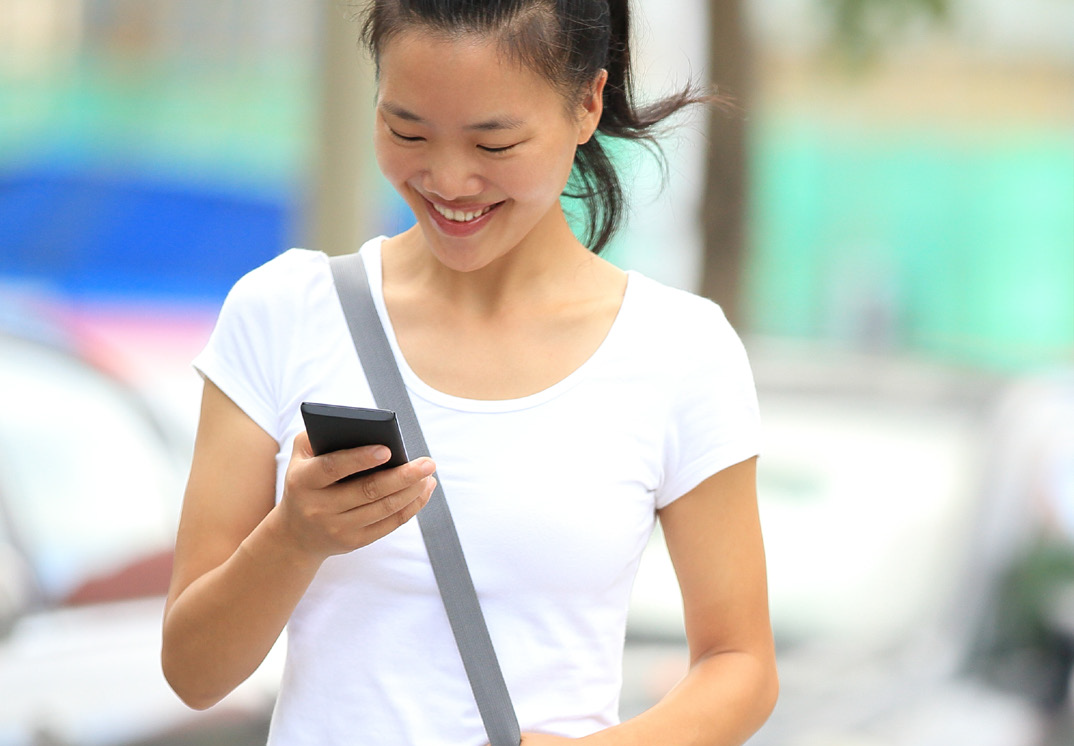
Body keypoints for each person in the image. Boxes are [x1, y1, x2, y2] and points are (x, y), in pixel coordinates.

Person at [161, 1, 778, 744]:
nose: (449, 180)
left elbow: (740, 663)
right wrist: (293, 539)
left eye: (495, 143)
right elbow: (193, 673)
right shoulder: (282, 311)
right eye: (407, 130)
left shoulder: (679, 349)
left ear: (588, 104)